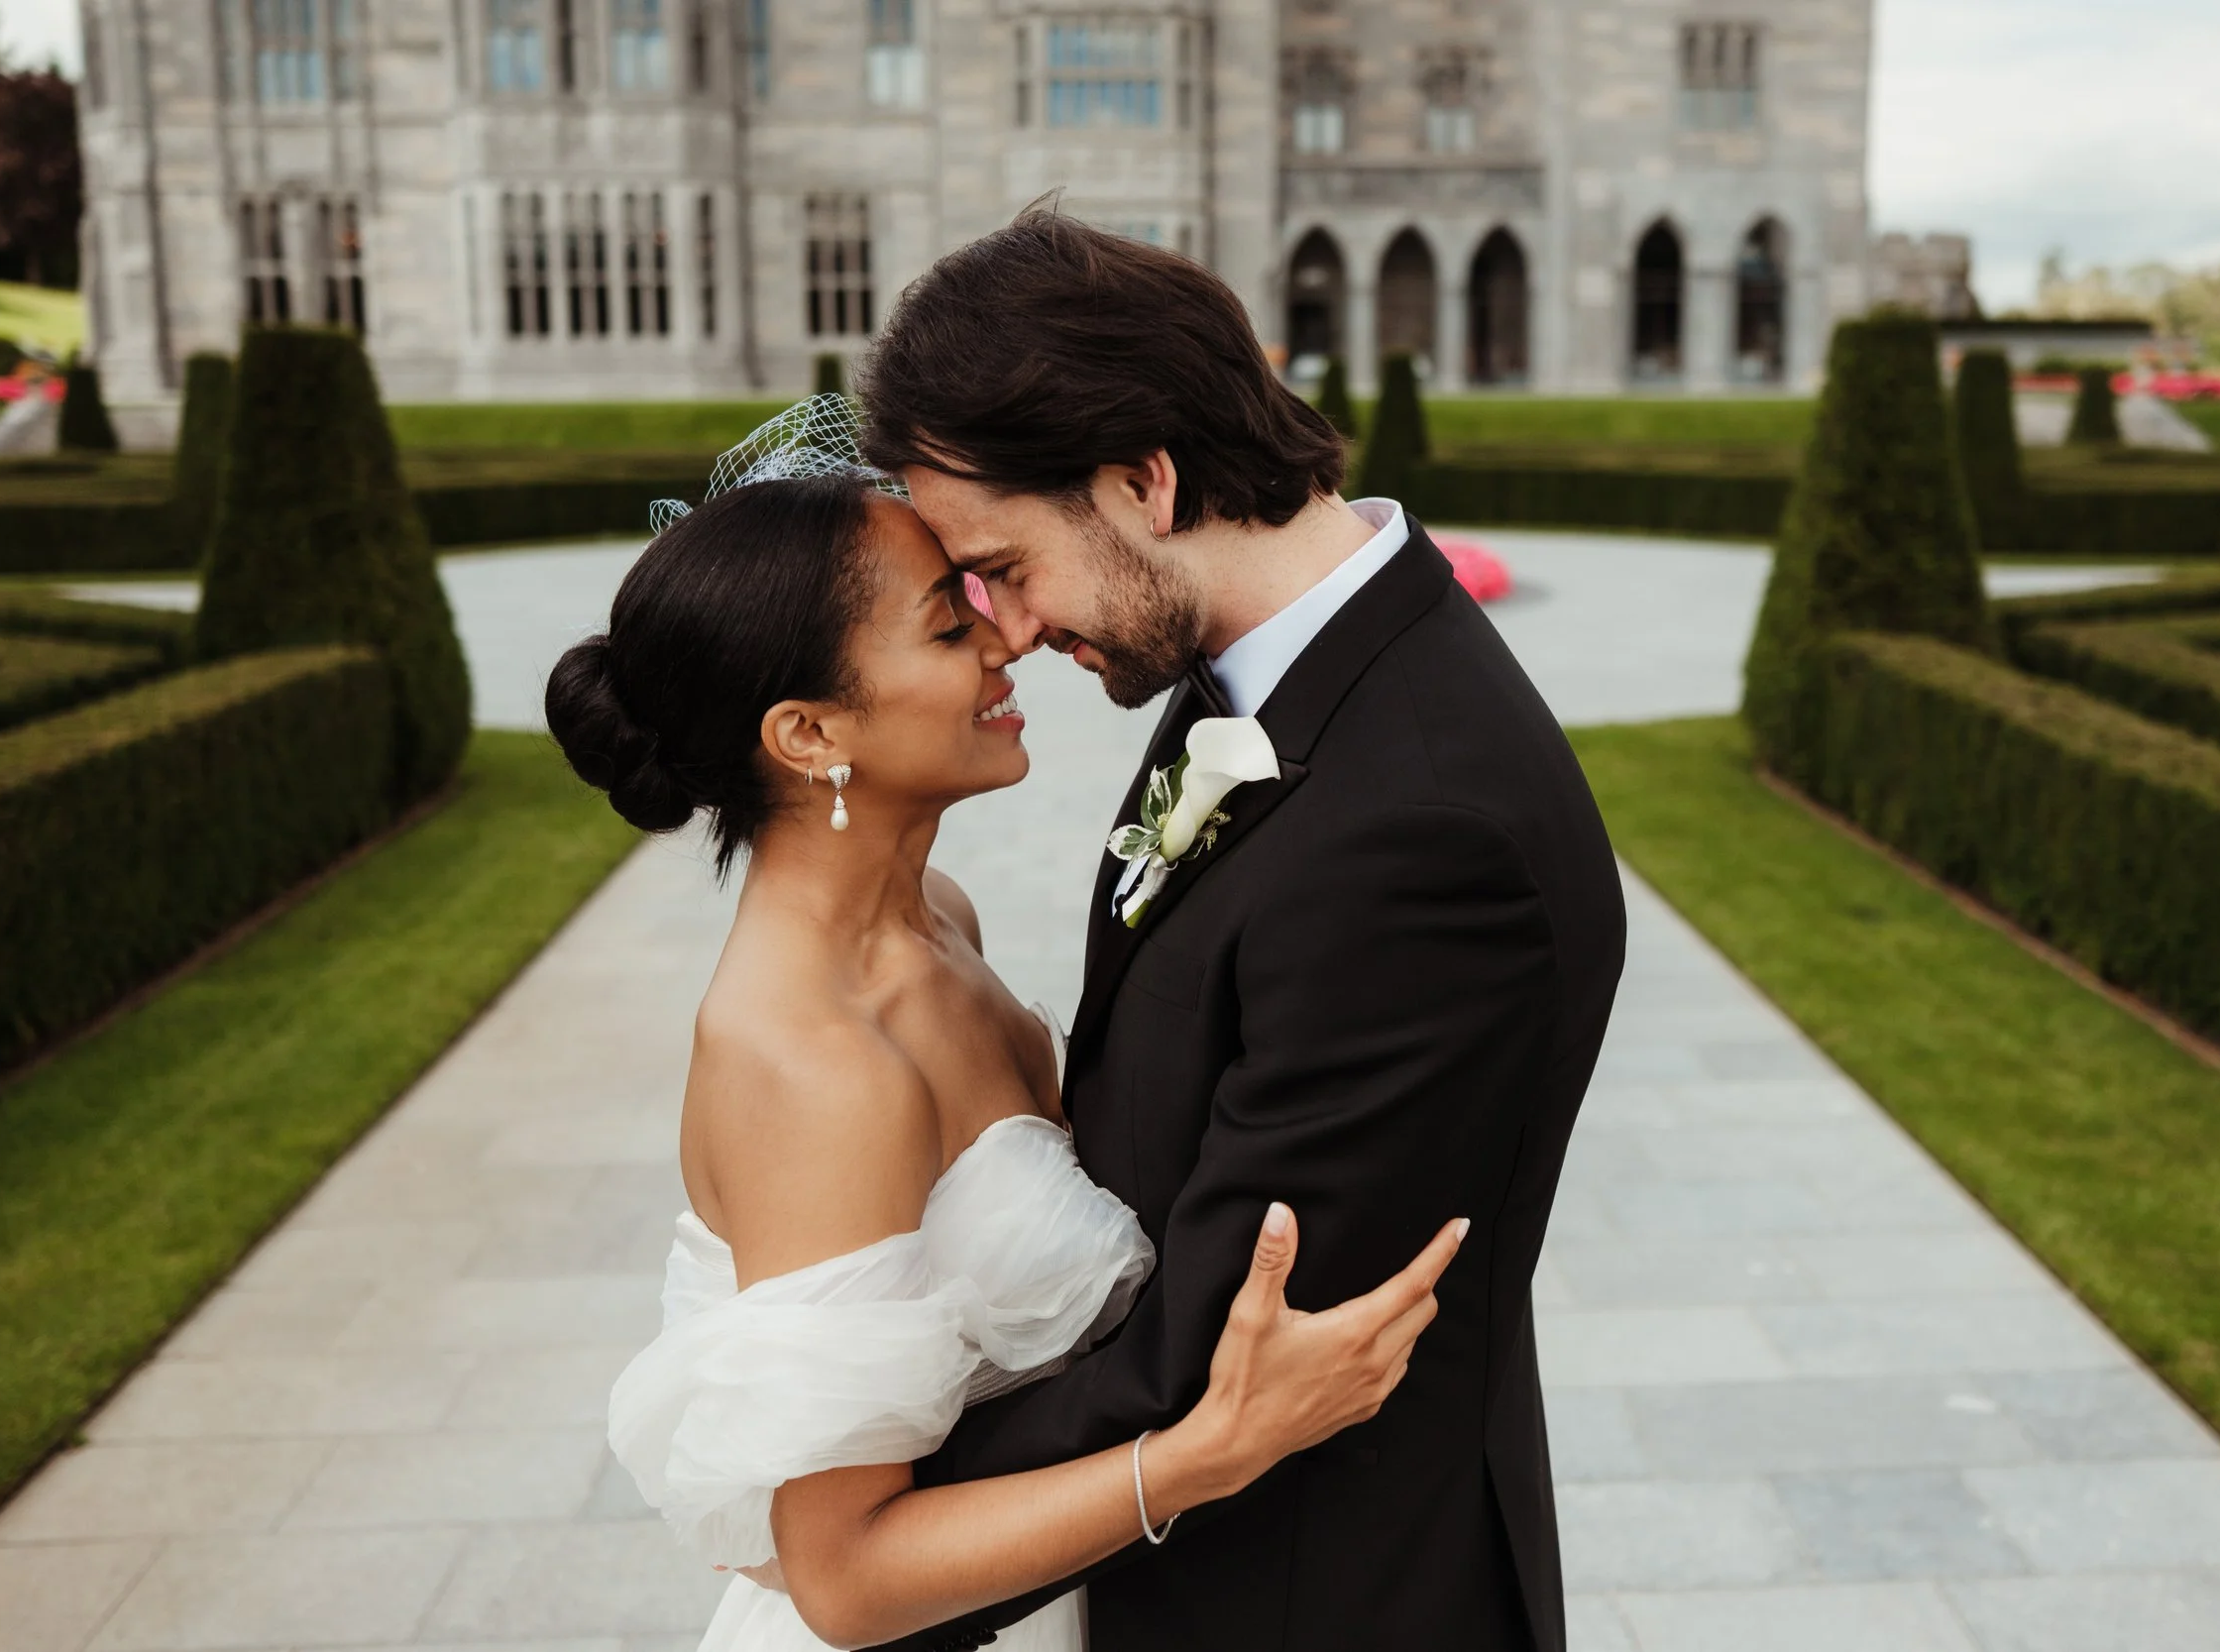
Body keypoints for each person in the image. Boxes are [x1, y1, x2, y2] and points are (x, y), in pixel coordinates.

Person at [851, 210, 1627, 1651]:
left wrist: (870, 1553)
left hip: (1331, 1597)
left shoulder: (1426, 833)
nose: (1001, 630)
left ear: (1144, 476)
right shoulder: (1250, 680)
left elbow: (1220, 1350)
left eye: (1003, 565)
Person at [548, 458, 1466, 1652]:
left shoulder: (939, 911)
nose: (1006, 642)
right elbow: (845, 1575)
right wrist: (1211, 1449)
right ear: (809, 732)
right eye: (949, 622)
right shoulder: (816, 1063)